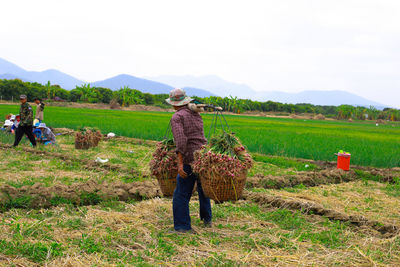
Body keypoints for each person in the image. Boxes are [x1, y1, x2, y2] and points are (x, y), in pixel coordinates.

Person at [166, 88, 212, 233]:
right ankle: (207, 219)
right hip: (202, 156)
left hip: (189, 158)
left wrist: (180, 164)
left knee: (181, 193)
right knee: (203, 188)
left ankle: (182, 227)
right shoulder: (196, 114)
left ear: (174, 103)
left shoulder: (177, 117)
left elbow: (181, 141)